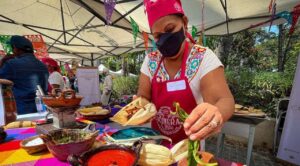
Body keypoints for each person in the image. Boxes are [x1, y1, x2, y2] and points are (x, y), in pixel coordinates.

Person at [137, 0, 235, 146]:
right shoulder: (150, 60)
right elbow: (143, 96)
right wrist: (138, 106)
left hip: (190, 150)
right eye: (157, 36)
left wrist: (216, 112)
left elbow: (224, 100)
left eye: (170, 29)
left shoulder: (203, 57)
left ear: (184, 22)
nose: (164, 39)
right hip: (156, 146)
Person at [0, 35, 49, 115]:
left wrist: (2, 62)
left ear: (16, 48)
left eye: (13, 48)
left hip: (22, 111)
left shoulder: (12, 64)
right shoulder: (43, 65)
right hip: (43, 110)